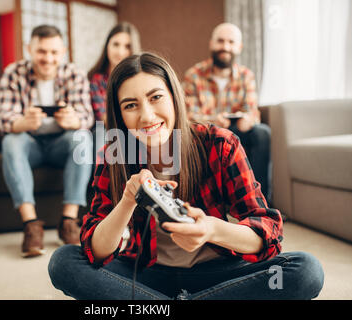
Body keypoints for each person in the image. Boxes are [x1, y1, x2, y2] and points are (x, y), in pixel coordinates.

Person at [47, 53, 324, 300]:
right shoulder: (114, 155)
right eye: (130, 105)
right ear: (119, 114)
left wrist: (211, 230)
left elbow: (267, 232)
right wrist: (127, 201)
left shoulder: (219, 144)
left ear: (174, 95)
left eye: (156, 97)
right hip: (145, 276)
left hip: (219, 273)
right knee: (64, 261)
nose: (146, 115)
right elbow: (98, 251)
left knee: (305, 270)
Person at [0, 25, 94, 257]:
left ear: (63, 51)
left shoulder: (75, 74)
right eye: (41, 52)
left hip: (63, 141)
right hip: (29, 142)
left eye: (53, 52)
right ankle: (30, 224)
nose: (47, 59)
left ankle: (69, 220)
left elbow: (87, 117)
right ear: (29, 49)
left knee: (82, 137)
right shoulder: (13, 72)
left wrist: (73, 120)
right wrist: (22, 123)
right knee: (11, 141)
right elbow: (3, 119)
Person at [182, 23, 272, 202]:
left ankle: (260, 202)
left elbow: (253, 111)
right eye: (220, 41)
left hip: (238, 131)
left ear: (239, 47)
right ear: (211, 44)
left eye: (231, 42)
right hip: (205, 134)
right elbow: (186, 114)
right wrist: (212, 120)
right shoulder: (194, 75)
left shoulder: (246, 76)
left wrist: (249, 119)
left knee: (262, 133)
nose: (225, 46)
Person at [88, 22, 141, 123]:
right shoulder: (97, 79)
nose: (120, 52)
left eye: (127, 46)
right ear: (107, 45)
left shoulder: (139, 78)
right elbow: (103, 117)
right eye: (116, 44)